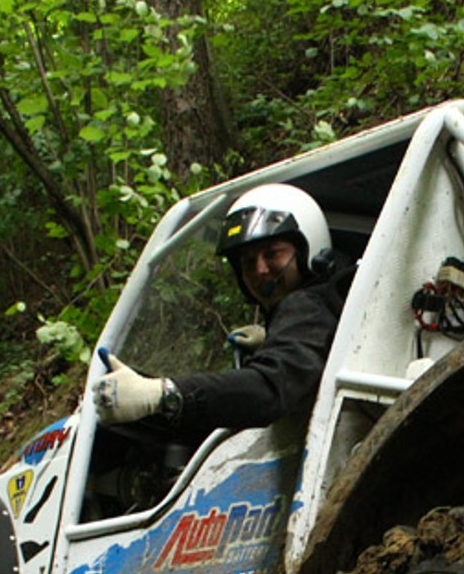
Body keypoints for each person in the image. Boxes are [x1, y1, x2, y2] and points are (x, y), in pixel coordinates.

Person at [91, 183, 356, 435]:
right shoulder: (336, 300)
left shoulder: (308, 306)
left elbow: (269, 389)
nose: (260, 270)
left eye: (273, 254)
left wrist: (163, 393)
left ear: (308, 251)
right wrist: (275, 340)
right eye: (248, 261)